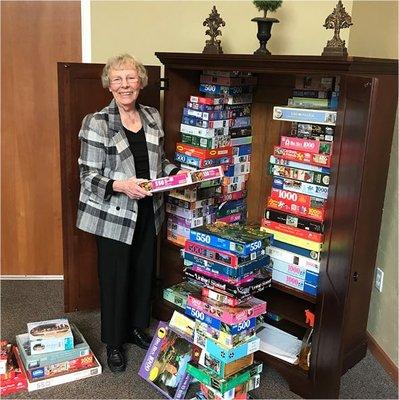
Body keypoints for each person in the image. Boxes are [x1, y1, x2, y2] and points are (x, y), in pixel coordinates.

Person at [76, 54, 182, 373]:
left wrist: (179, 174)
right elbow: (88, 176)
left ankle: (136, 328)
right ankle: (114, 342)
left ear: (140, 83)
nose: (125, 85)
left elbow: (159, 164)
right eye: (118, 79)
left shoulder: (151, 116)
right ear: (109, 85)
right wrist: (122, 185)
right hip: (114, 215)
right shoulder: (96, 122)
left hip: (149, 211)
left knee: (142, 273)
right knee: (115, 279)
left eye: (131, 78)